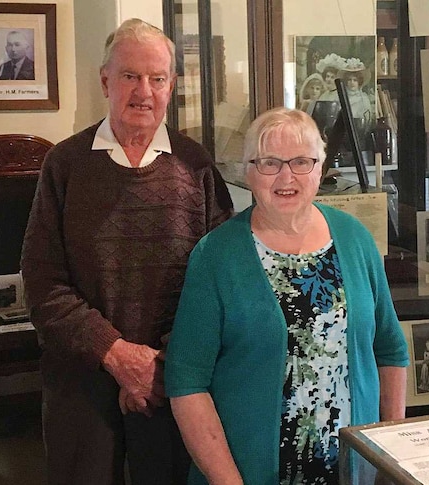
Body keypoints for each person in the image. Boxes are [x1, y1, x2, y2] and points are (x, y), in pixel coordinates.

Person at [21, 19, 233, 485]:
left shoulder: (196, 165)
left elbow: (219, 281)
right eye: (130, 76)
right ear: (105, 81)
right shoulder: (65, 164)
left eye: (157, 78)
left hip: (173, 377)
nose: (144, 91)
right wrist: (117, 356)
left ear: (172, 86)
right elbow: (41, 280)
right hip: (81, 377)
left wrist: (162, 363)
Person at [165, 107, 408, 485]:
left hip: (352, 470)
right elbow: (186, 382)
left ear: (320, 168)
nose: (286, 177)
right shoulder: (216, 255)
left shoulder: (356, 238)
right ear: (248, 171)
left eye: (301, 162)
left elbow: (390, 351)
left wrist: (388, 460)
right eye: (269, 163)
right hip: (248, 474)